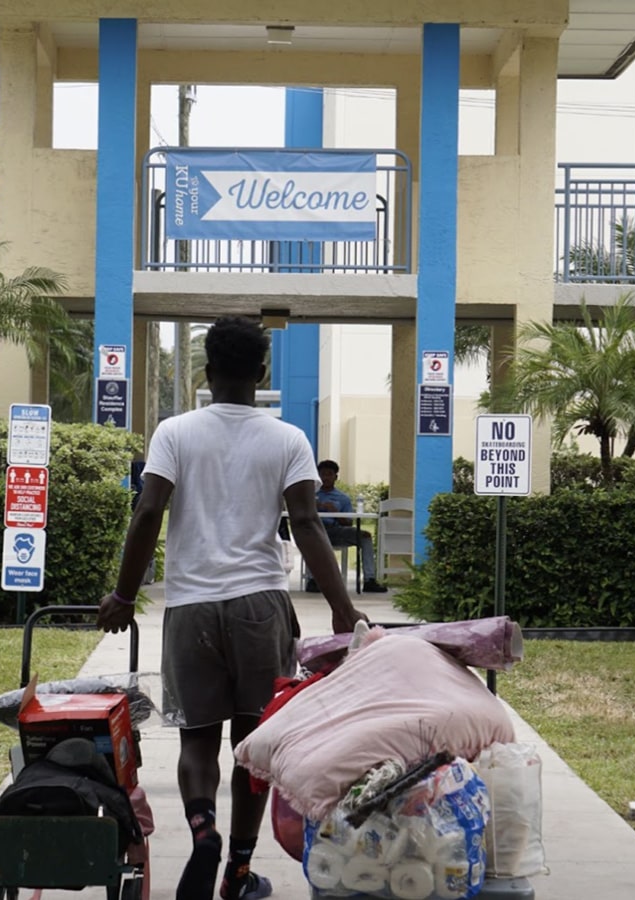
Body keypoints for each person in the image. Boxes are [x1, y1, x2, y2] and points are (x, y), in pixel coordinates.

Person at [97, 316, 362, 900]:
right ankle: (238, 873)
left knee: (197, 739)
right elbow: (307, 523)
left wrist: (122, 594)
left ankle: (202, 830)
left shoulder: (174, 432)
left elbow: (147, 514)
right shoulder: (289, 439)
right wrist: (342, 608)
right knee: (252, 743)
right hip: (261, 607)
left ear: (208, 371)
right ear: (262, 372)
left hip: (191, 606)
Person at [309, 459, 383, 594]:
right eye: (322, 474)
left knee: (365, 536)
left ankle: (369, 580)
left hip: (336, 531)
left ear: (335, 477)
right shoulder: (310, 495)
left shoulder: (342, 498)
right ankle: (313, 580)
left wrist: (334, 512)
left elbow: (349, 523)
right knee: (309, 537)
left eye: (329, 474)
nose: (325, 478)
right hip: (316, 531)